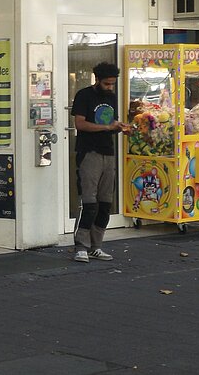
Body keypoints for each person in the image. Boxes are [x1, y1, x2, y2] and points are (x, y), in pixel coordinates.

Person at [71, 61, 130, 263]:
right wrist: (106, 128)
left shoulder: (111, 98)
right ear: (97, 80)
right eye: (106, 84)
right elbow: (79, 124)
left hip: (108, 152)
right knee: (89, 202)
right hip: (89, 152)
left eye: (112, 84)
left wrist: (120, 127)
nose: (110, 88)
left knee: (105, 202)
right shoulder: (84, 95)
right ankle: (81, 246)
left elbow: (110, 123)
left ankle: (96, 246)